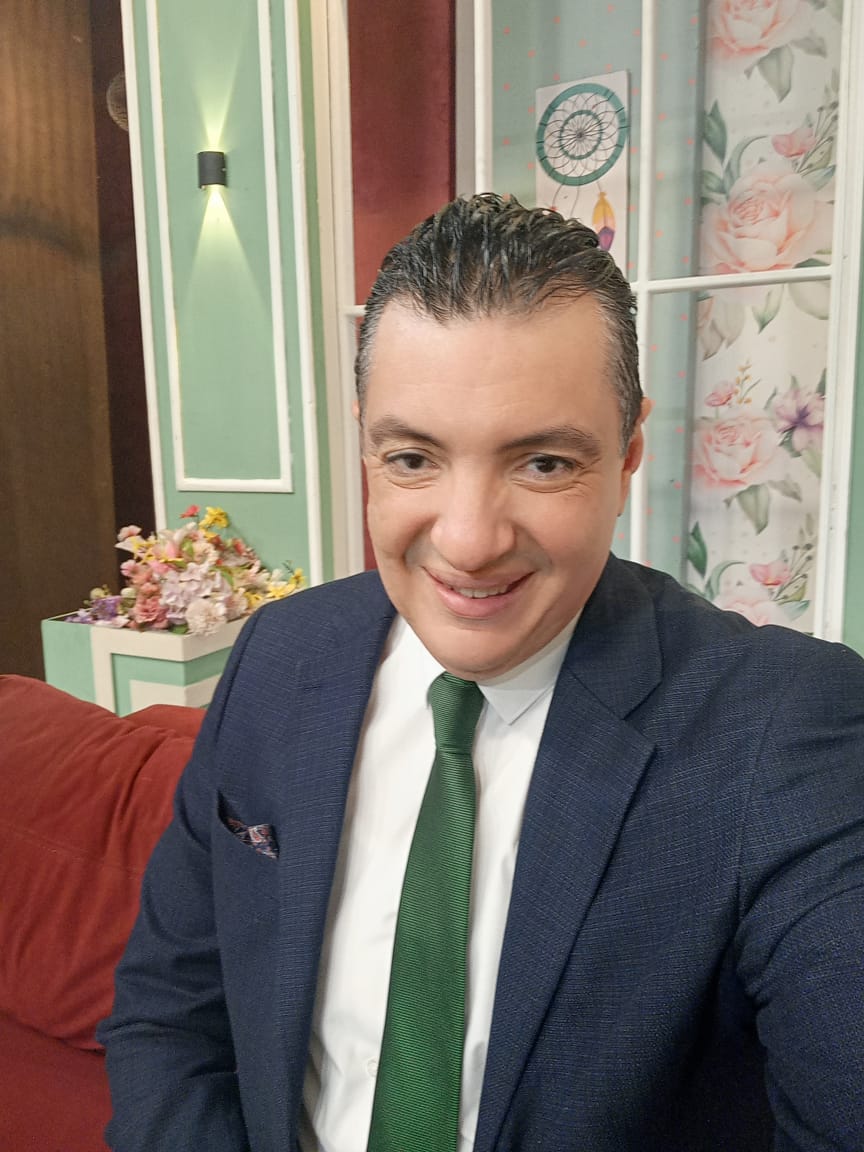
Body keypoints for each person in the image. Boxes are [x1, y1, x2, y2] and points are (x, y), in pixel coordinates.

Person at [98, 194, 864, 1152]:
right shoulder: (279, 654)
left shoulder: (784, 729)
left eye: (542, 463)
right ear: (366, 445)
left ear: (628, 453)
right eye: (413, 457)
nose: (467, 540)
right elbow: (169, 1011)